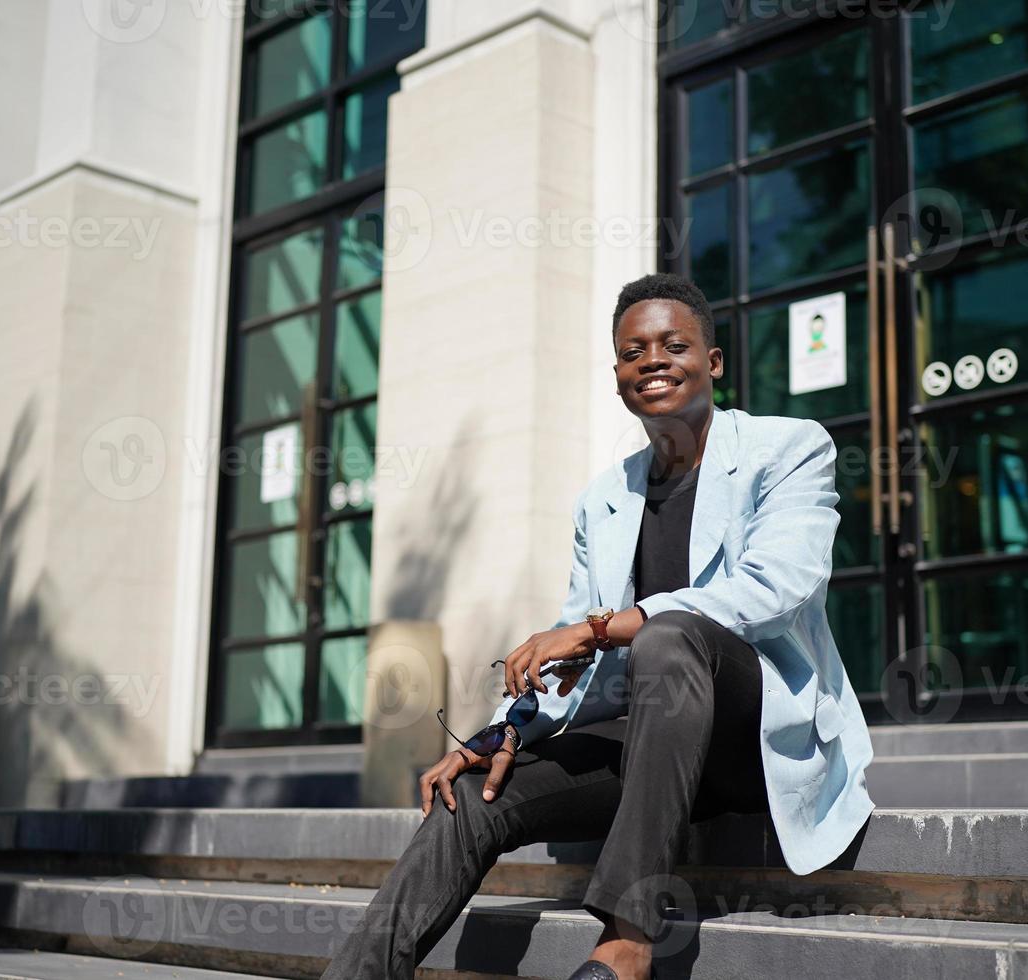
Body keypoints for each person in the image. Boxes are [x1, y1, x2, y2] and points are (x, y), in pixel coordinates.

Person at [321, 273, 874, 980]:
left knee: (669, 636)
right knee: (471, 795)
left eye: (675, 345)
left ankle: (626, 943)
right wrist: (504, 732)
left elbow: (779, 587)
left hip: (754, 738)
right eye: (632, 350)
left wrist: (605, 627)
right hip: (652, 743)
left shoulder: (788, 449)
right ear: (617, 376)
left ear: (714, 361)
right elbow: (570, 657)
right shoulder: (604, 499)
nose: (653, 360)